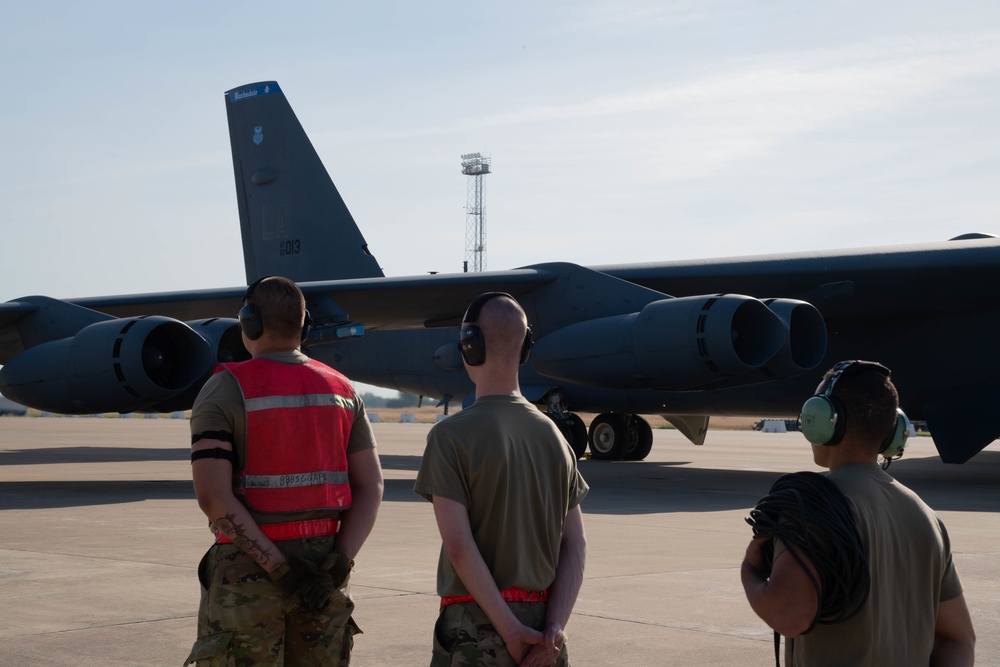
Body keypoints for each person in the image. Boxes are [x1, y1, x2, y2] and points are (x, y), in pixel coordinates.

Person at [185, 276, 384, 666]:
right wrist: (338, 562)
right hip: (322, 575)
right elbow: (371, 486)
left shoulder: (225, 388)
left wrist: (278, 567)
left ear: (249, 322)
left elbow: (212, 496)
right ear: (304, 325)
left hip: (250, 574)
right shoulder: (343, 391)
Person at [741, 360, 976, 666]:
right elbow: (959, 639)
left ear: (823, 420)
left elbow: (789, 615)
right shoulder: (926, 517)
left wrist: (752, 570)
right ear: (894, 431)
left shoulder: (812, 504)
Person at [414, 292, 589, 667]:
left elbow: (459, 547)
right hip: (545, 633)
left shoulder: (450, 436)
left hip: (477, 627)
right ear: (525, 348)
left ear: (468, 345)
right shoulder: (556, 437)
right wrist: (554, 630)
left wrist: (509, 630)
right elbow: (575, 545)